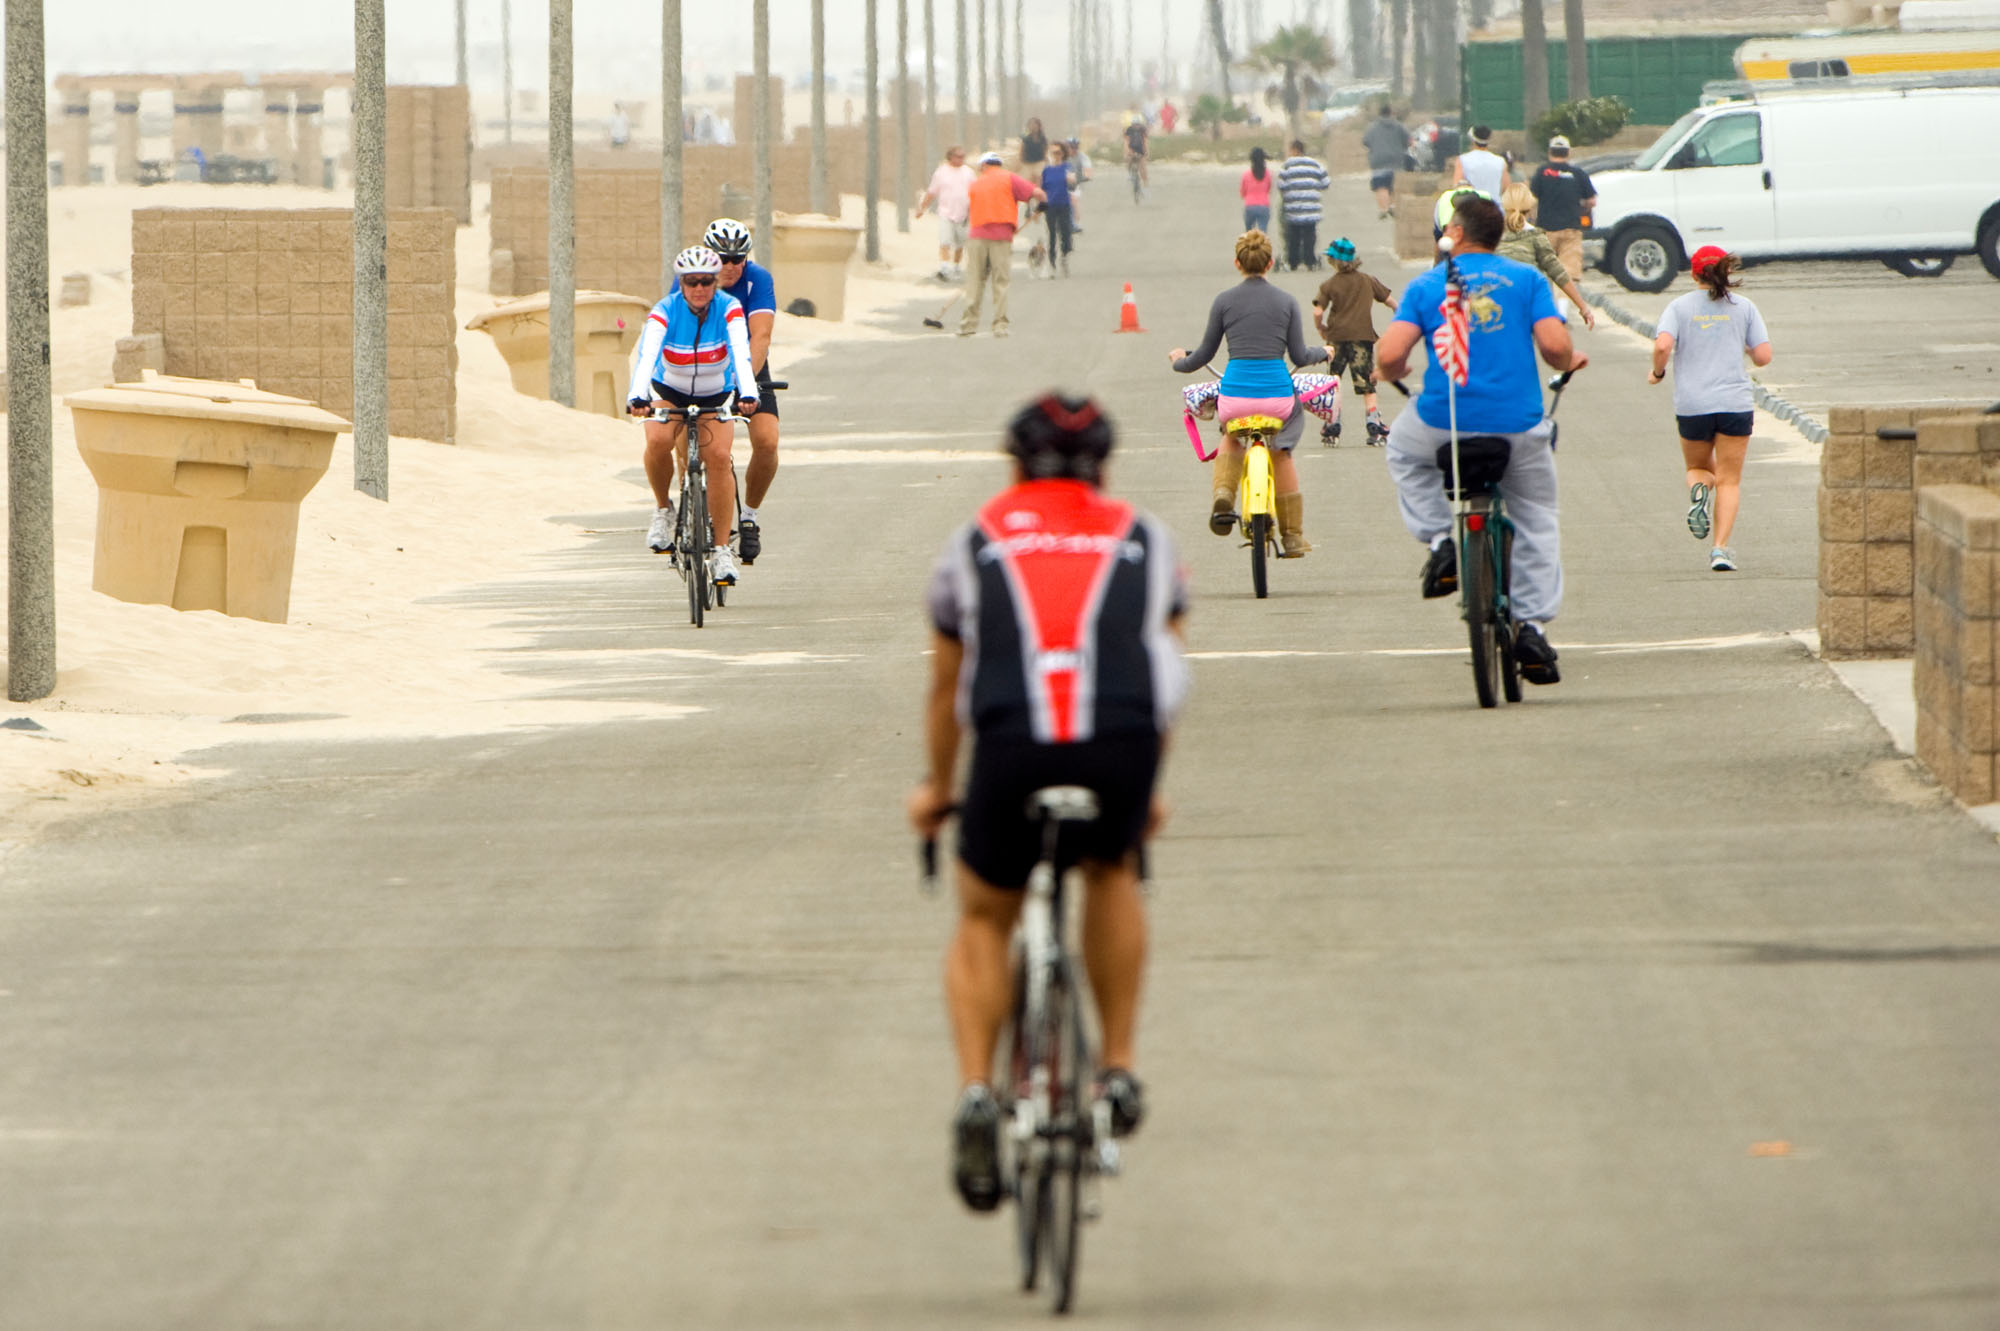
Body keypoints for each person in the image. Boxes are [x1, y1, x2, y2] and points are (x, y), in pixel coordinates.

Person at [909, 393, 1187, 1213]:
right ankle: (1119, 1068)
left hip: (1012, 739)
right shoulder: (1144, 536)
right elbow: (1164, 674)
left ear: (1013, 462)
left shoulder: (976, 537)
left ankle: (975, 1093)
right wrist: (1149, 796)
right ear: (1103, 463)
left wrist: (937, 789)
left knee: (987, 911)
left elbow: (946, 683)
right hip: (1121, 740)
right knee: (1110, 866)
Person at [1375, 195, 1587, 684]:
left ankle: (1440, 540)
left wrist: (1395, 369)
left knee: (1404, 454)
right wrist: (1567, 362)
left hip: (1441, 421)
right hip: (1518, 425)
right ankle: (1531, 625)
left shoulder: (1430, 285)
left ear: (1456, 230)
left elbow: (1388, 356)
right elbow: (1556, 348)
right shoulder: (1528, 281)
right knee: (1535, 517)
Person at [1168, 229, 1331, 556]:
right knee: (1281, 452)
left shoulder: (1224, 301)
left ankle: (1224, 495)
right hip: (1278, 399)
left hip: (1235, 397)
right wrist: (1323, 352)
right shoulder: (1286, 301)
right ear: (1270, 263)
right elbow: (1299, 356)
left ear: (1237, 263)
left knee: (1230, 434)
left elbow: (1203, 356)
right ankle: (1293, 535)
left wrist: (1179, 362)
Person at [627, 246, 759, 589]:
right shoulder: (664, 311)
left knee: (717, 457)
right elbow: (647, 356)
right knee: (657, 440)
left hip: (715, 391)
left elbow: (741, 354)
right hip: (670, 388)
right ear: (681, 284)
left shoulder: (728, 308)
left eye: (705, 281)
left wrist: (749, 394)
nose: (699, 289)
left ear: (715, 283)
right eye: (691, 282)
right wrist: (637, 395)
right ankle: (663, 510)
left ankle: (719, 551)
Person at [1648, 245, 1774, 573]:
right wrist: (1741, 344)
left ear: (1693, 273)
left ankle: (1700, 492)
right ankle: (1720, 549)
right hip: (1734, 403)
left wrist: (1659, 372)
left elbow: (1663, 345)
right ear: (1726, 271)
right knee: (1730, 480)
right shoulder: (1744, 307)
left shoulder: (1678, 307)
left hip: (1693, 405)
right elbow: (1763, 357)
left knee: (1699, 469)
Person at [704, 218, 781, 564]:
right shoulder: (694, 278)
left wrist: (745, 386)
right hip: (702, 367)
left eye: (739, 259)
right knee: (690, 435)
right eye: (723, 258)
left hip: (747, 365)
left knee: (767, 441)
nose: (731, 266)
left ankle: (749, 516)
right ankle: (691, 496)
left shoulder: (757, 279)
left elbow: (760, 337)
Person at [1310, 237, 1398, 446]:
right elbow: (1391, 302)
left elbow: (1317, 311)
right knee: (1367, 383)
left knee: (1334, 382)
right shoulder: (1368, 280)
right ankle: (1373, 423)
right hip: (1362, 339)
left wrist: (1320, 327)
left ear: (1333, 261)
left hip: (1336, 339)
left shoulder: (1329, 285)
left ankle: (1333, 424)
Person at [960, 151, 1045, 338]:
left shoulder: (976, 183)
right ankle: (1000, 325)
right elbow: (1038, 193)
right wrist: (1041, 207)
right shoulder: (1010, 178)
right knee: (1000, 282)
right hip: (1001, 236)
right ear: (998, 164)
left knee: (975, 281)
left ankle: (968, 325)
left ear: (984, 166)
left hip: (977, 236)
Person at [1497, 183, 1596, 331]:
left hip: (1497, 300)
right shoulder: (1536, 236)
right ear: (1530, 209)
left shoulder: (1491, 235)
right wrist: (1583, 307)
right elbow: (1558, 273)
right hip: (1526, 303)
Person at [1528, 134, 1596, 284]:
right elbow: (1592, 201)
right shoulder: (1577, 174)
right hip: (1570, 230)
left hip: (1546, 230)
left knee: (1544, 273)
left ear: (1550, 152)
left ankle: (1546, 305)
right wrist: (1582, 206)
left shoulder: (1542, 172)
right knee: (1567, 275)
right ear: (1568, 152)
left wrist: (1532, 220)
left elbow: (1530, 200)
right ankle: (1563, 306)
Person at [916, 144, 976, 281]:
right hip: (945, 212)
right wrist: (922, 208)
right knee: (945, 240)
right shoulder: (941, 172)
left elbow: (975, 192)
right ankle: (944, 267)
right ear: (950, 157)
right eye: (958, 156)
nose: (961, 159)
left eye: (963, 156)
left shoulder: (968, 172)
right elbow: (932, 192)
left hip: (964, 214)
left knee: (960, 243)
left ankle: (956, 265)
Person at [1276, 138, 1332, 271]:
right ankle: (1310, 261)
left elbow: (1281, 185)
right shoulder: (1315, 164)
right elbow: (1326, 183)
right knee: (1310, 235)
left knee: (1293, 237)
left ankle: (1293, 262)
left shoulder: (1287, 165)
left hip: (1293, 208)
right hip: (1311, 207)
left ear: (1295, 150)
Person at [1363, 104, 1411, 218]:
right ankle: (1393, 206)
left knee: (1381, 186)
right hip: (1396, 160)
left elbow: (1365, 141)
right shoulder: (1399, 126)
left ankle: (1383, 209)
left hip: (1378, 160)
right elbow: (1407, 140)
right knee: (1394, 185)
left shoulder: (1372, 127)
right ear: (1391, 113)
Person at [1040, 141, 1075, 274]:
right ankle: (1052, 261)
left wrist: (1071, 180)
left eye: (1058, 152)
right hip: (1050, 206)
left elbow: (1073, 183)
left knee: (1065, 233)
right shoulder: (1046, 170)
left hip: (1064, 204)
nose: (1055, 155)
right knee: (1052, 234)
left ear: (1062, 154)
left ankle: (1064, 255)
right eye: (1052, 153)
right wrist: (1039, 207)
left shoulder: (1067, 167)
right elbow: (1042, 189)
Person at [1452, 125, 1510, 198]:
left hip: (1471, 206)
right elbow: (1506, 189)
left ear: (1473, 140)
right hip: (1494, 206)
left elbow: (1457, 187)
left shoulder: (1462, 160)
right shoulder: (1501, 162)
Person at [1241, 146, 1273, 234]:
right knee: (1263, 233)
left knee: (1249, 232)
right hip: (1264, 206)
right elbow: (1268, 190)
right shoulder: (1268, 174)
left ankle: (1251, 247)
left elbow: (1243, 193)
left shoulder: (1246, 175)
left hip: (1250, 206)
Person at [1065, 136, 1093, 233]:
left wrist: (1085, 176)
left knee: (1073, 200)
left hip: (1076, 185)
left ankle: (1075, 223)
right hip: (1061, 184)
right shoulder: (1061, 157)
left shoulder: (1083, 157)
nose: (1073, 150)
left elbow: (1087, 171)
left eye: (1075, 147)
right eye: (1070, 147)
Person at [1123, 110, 1150, 194]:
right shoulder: (1129, 130)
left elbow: (1145, 141)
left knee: (1143, 168)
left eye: (1137, 124)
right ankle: (1130, 174)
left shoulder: (1143, 130)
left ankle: (1145, 187)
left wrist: (1146, 151)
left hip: (1140, 148)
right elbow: (1126, 142)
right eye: (1134, 124)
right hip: (1131, 147)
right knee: (1128, 160)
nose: (1136, 126)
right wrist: (1126, 152)